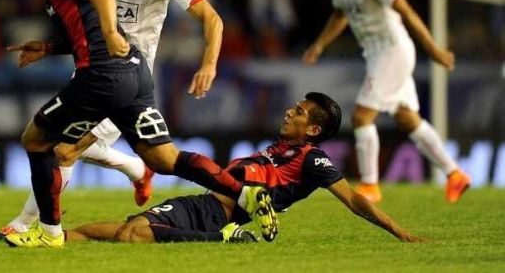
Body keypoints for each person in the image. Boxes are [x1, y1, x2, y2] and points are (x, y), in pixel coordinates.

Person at [5, 0, 273, 249]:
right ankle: (243, 193)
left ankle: (35, 228)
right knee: (164, 158)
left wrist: (208, 65)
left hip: (110, 74)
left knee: (58, 147)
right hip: (125, 72)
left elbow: (212, 18)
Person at [65, 92, 422, 243]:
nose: (288, 112)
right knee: (123, 229)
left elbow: (353, 199)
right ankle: (58, 236)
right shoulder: (283, 148)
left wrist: (398, 230)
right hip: (206, 204)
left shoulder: (311, 158)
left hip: (217, 213)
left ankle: (223, 240)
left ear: (313, 130)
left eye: (298, 112)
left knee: (133, 233)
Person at [302, 0, 471, 204]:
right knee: (407, 118)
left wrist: (434, 50)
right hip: (375, 54)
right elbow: (341, 14)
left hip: (393, 50)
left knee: (361, 116)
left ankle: (370, 185)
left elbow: (407, 12)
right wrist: (319, 44)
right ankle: (455, 175)